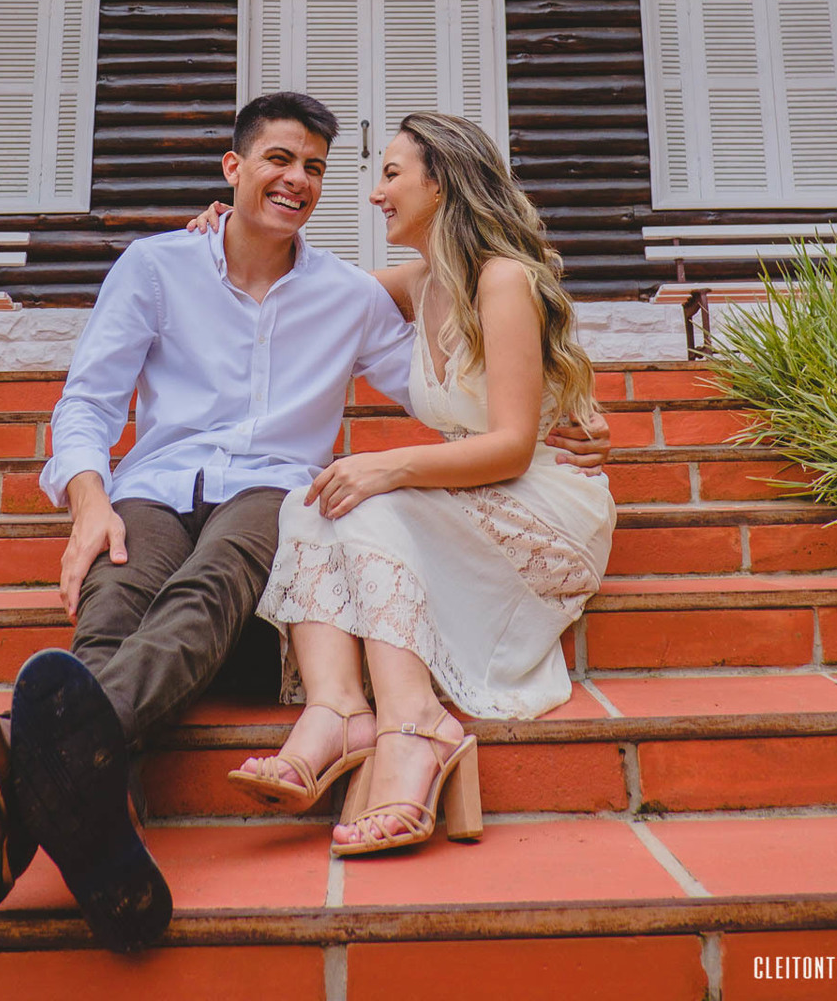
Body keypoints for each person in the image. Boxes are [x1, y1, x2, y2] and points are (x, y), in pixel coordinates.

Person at [0, 91, 611, 950]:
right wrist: (89, 501)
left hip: (268, 490)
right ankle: (92, 827)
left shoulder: (347, 294)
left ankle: (21, 765)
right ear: (233, 168)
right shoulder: (157, 266)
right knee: (114, 598)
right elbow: (88, 402)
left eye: (316, 167)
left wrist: (563, 408)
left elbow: (461, 372)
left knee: (208, 590)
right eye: (279, 159)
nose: (301, 180)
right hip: (154, 482)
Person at [220, 112, 616, 856]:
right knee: (309, 503)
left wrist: (388, 465)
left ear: (442, 184)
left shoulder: (503, 280)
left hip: (542, 505)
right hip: (473, 496)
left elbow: (511, 447)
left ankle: (417, 727)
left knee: (368, 501)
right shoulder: (417, 282)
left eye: (392, 175)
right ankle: (338, 710)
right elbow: (298, 280)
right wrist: (224, 228)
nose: (376, 194)